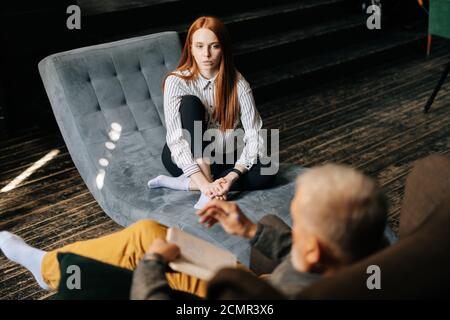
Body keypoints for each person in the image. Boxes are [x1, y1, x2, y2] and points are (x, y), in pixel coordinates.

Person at [0, 163, 387, 298]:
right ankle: (45, 266)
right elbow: (303, 255)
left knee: (145, 243)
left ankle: (46, 268)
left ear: (316, 251)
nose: (293, 224)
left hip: (239, 295)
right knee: (151, 228)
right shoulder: (360, 261)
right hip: (258, 284)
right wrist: (252, 231)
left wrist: (153, 266)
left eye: (298, 221)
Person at [146, 16, 276, 208]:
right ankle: (203, 185)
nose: (206, 54)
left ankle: (190, 184)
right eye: (199, 46)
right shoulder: (177, 81)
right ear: (190, 47)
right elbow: (176, 140)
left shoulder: (238, 83)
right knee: (190, 103)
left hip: (222, 153)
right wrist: (204, 182)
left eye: (214, 46)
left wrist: (232, 177)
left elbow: (254, 134)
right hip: (185, 156)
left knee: (268, 169)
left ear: (223, 48)